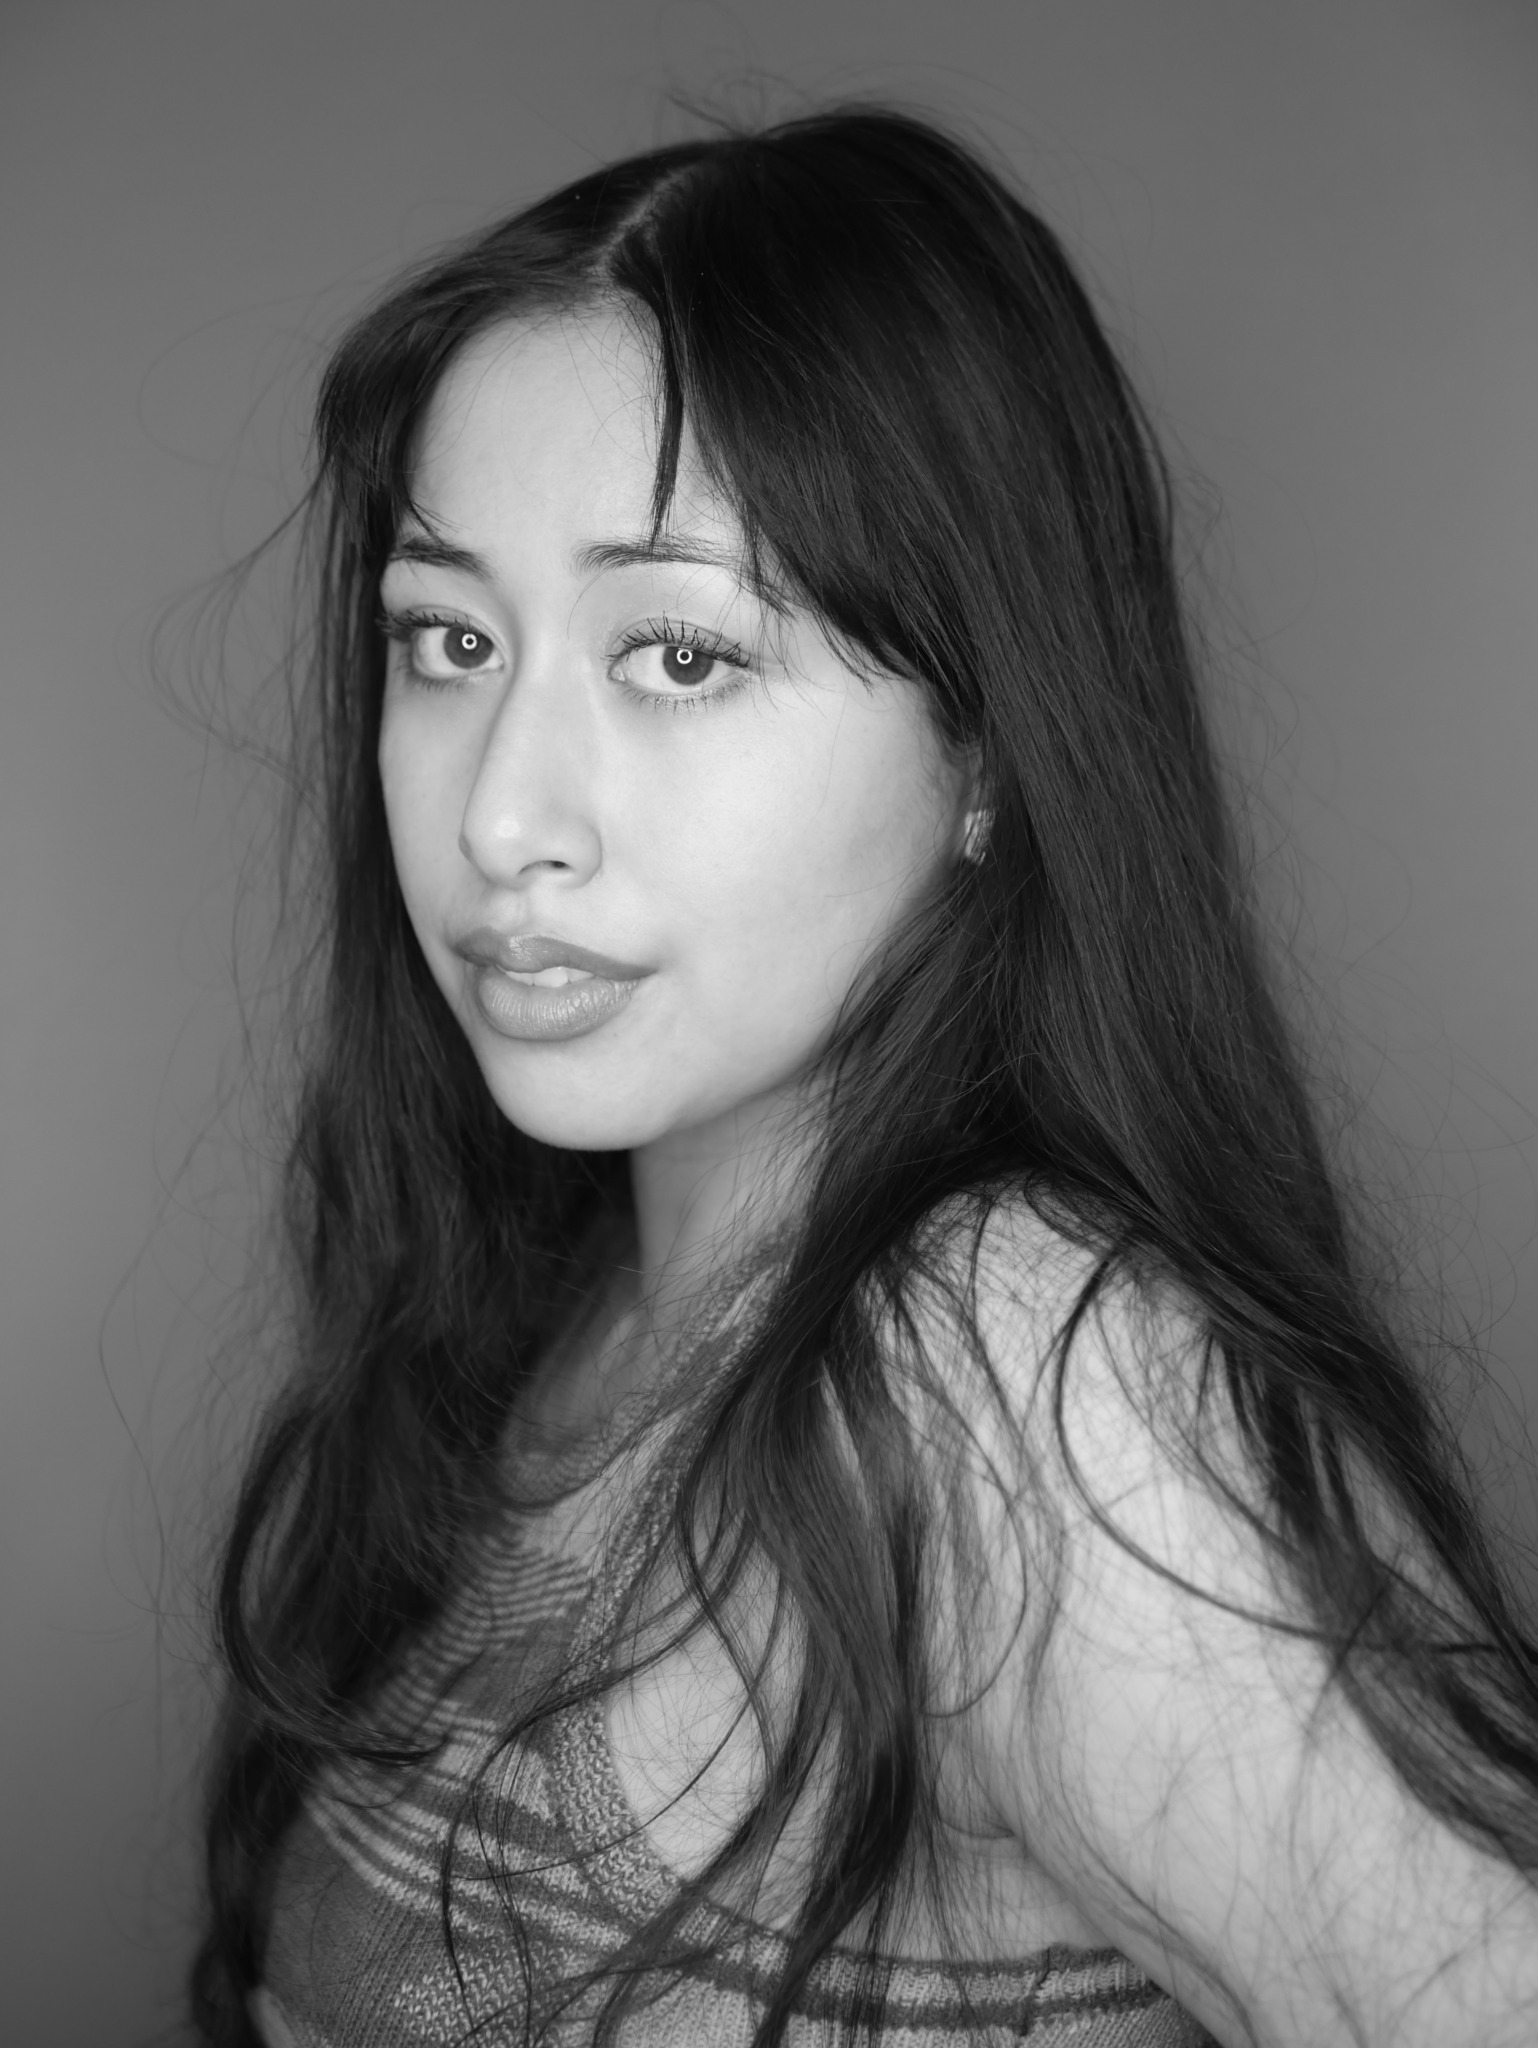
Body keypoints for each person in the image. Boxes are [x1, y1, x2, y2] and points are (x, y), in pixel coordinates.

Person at [191, 107, 1538, 2047]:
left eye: (677, 656)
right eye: (448, 637)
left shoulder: (1023, 1379)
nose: (498, 815)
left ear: (986, 751)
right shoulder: (562, 1305)